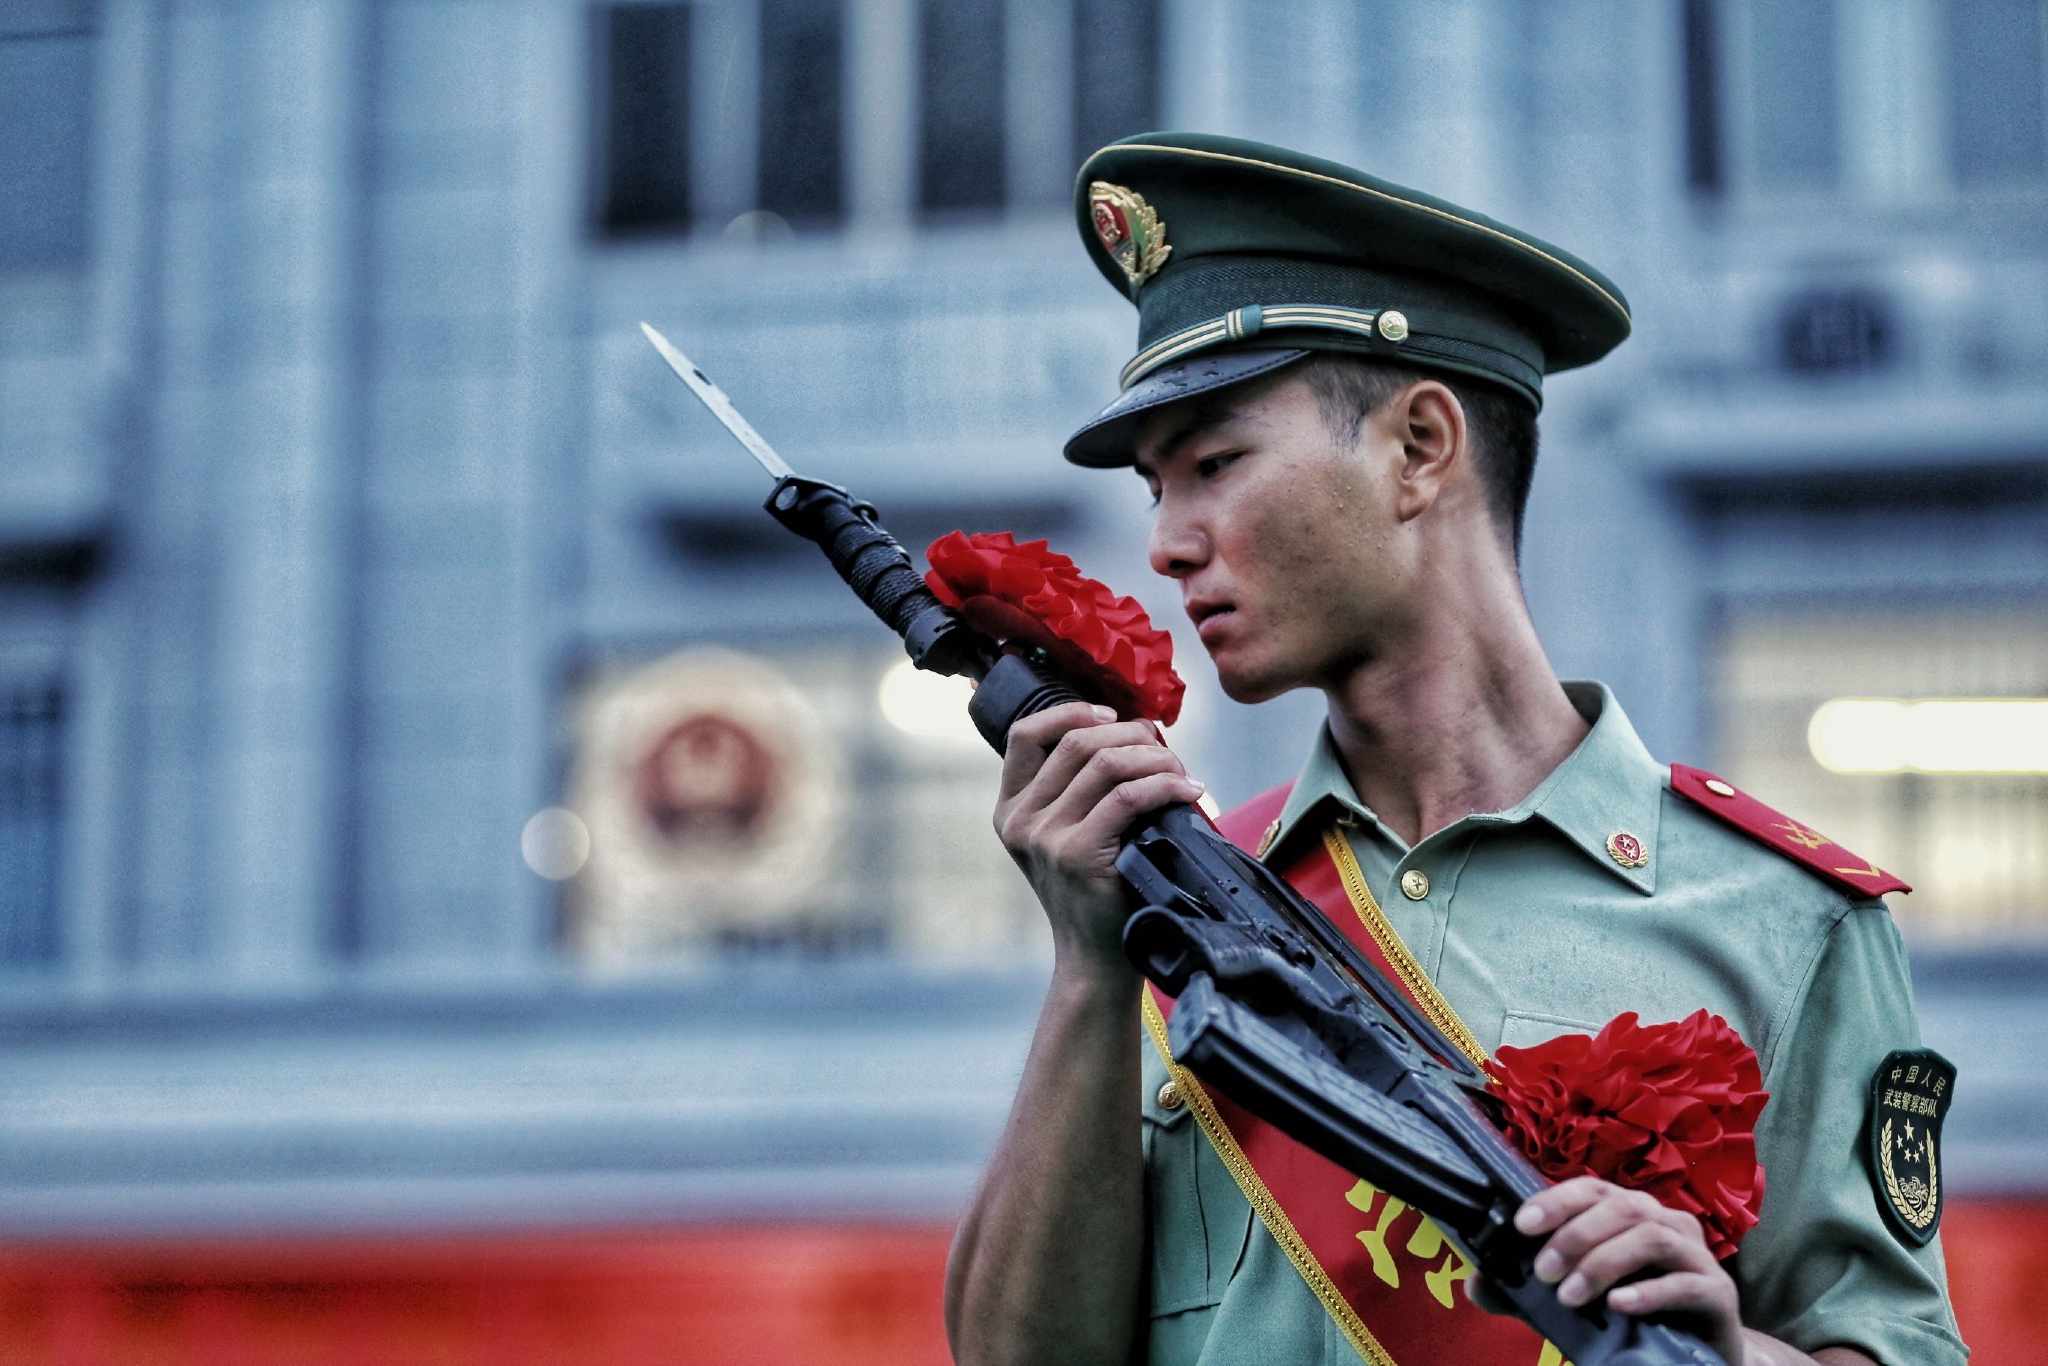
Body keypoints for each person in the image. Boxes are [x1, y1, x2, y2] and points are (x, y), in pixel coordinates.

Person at [942, 134, 1965, 1366]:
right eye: (1157, 490)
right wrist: (1086, 969)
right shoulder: (1169, 893)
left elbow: (1891, 1343)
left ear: (1419, 447)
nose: (1164, 542)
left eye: (1213, 464)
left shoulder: (1787, 919)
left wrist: (1733, 1357)